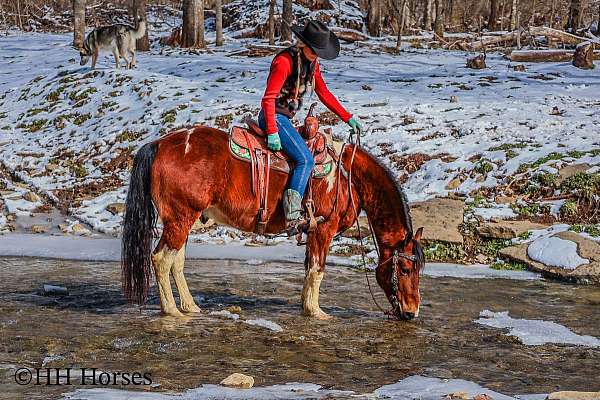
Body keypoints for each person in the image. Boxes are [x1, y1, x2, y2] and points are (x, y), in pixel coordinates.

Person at [259, 20, 362, 230]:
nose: (317, 55)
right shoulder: (284, 62)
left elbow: (323, 93)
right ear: (304, 44)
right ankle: (292, 213)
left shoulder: (313, 64)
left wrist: (347, 117)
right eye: (315, 51)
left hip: (286, 119)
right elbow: (268, 99)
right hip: (274, 117)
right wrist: (271, 131)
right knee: (305, 159)